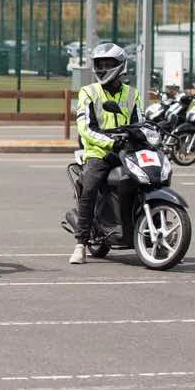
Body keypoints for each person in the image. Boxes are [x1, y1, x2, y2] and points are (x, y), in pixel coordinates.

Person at [69, 42, 143, 265]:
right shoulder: (88, 92)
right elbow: (85, 128)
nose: (102, 68)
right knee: (90, 186)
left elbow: (141, 123)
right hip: (97, 152)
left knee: (151, 176)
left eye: (108, 63)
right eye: (99, 64)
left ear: (120, 65)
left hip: (127, 151)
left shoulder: (133, 94)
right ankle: (80, 243)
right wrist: (110, 142)